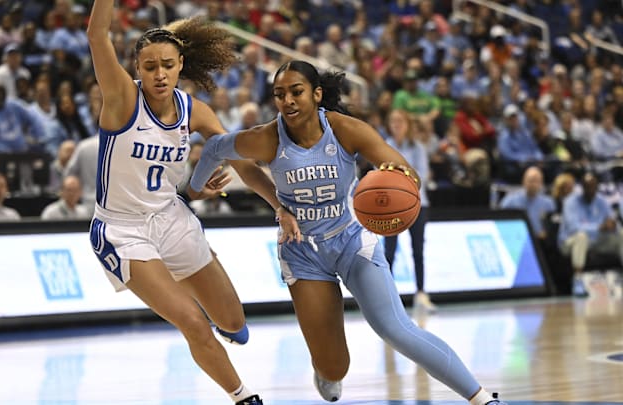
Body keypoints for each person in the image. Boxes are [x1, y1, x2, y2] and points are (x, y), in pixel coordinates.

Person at [189, 60, 507, 405]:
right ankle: (326, 371)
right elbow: (216, 147)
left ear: (317, 94)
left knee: (395, 329)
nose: (288, 101)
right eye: (280, 95)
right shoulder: (267, 138)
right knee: (334, 367)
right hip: (302, 251)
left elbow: (405, 170)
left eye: (297, 92)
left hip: (352, 238)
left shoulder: (345, 129)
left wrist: (394, 184)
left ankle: (482, 399)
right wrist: (194, 189)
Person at [86, 2, 299, 404]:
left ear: (181, 64)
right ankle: (243, 396)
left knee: (235, 324)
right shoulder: (120, 99)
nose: (159, 74)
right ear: (137, 69)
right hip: (122, 230)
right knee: (192, 321)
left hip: (172, 219)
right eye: (149, 66)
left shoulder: (193, 111)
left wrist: (279, 206)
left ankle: (218, 330)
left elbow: (242, 163)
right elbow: (97, 35)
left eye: (167, 64)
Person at [383, 109, 435, 312]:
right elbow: (380, 174)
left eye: (400, 121)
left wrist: (399, 180)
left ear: (407, 124)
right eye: (393, 121)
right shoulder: (384, 145)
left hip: (417, 205)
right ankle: (388, 298)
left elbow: (421, 176)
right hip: (391, 207)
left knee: (418, 250)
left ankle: (421, 294)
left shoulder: (418, 147)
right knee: (389, 252)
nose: (396, 124)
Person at [558, 172, 623, 297]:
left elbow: (611, 221)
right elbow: (573, 228)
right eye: (587, 186)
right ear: (581, 187)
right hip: (569, 242)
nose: (590, 189)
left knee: (621, 234)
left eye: (593, 186)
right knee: (581, 236)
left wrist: (613, 225)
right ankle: (577, 279)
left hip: (595, 242)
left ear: (597, 187)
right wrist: (599, 227)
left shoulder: (602, 201)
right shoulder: (570, 202)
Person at [499, 166, 556, 242]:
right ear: (523, 181)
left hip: (540, 241)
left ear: (541, 183)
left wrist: (546, 233)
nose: (533, 184)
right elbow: (501, 221)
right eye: (530, 180)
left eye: (536, 181)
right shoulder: (510, 200)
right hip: (515, 239)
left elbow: (552, 226)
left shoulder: (549, 203)